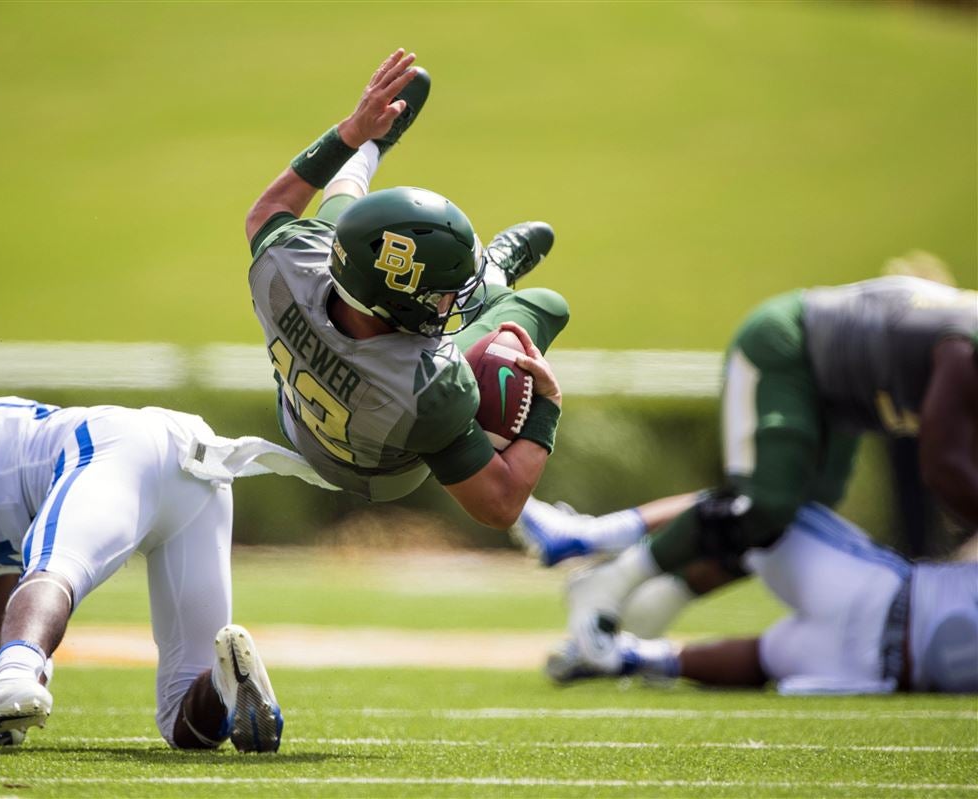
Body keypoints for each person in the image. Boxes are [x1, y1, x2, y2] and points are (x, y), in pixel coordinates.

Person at [0, 397, 330, 753]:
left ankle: (14, 681)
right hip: (195, 470)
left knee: (54, 568)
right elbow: (2, 601)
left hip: (116, 447)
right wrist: (11, 713)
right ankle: (230, 685)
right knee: (183, 725)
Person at [517, 275, 977, 656]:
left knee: (798, 527)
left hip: (843, 393)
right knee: (765, 504)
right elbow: (944, 466)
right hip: (792, 346)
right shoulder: (965, 345)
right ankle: (605, 572)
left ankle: (642, 597)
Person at [245, 48, 570, 529]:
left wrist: (350, 132)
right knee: (544, 305)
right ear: (402, 304)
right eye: (446, 292)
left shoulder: (284, 266)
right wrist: (548, 406)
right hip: (381, 468)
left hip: (299, 418)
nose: (450, 301)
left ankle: (369, 147)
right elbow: (499, 506)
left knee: (339, 221)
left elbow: (266, 212)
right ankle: (497, 273)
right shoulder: (433, 387)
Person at [545, 503, 978, 695]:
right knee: (750, 513)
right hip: (882, 664)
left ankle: (591, 542)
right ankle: (626, 650)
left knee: (751, 506)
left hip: (873, 622)